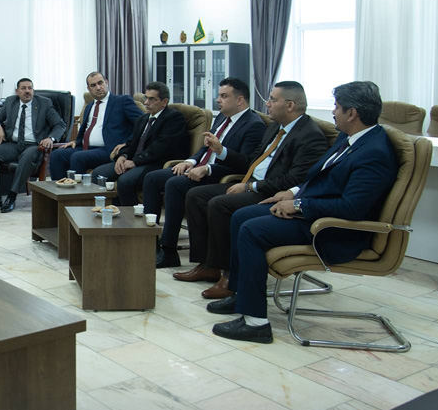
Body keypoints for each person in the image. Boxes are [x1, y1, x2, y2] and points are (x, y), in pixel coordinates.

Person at [208, 81, 399, 344]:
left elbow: (352, 208)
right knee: (242, 216)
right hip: (314, 213)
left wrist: (299, 205)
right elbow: (319, 177)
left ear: (352, 113)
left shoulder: (374, 153)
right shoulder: (350, 138)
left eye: (337, 107)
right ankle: (242, 295)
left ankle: (256, 323)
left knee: (252, 230)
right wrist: (292, 192)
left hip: (333, 230)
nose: (333, 112)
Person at [176, 81, 328, 299]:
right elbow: (251, 161)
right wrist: (221, 151)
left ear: (290, 105)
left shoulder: (310, 135)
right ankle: (208, 265)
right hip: (249, 182)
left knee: (220, 205)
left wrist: (250, 186)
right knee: (196, 195)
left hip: (271, 193)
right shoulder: (275, 127)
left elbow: (295, 179)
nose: (267, 104)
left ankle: (229, 275)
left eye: (272, 100)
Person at [141, 78, 265, 268]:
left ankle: (169, 249)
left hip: (220, 174)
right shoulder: (222, 117)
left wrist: (209, 167)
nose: (218, 100)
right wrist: (189, 161)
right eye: (219, 95)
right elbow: (206, 148)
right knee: (152, 178)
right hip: (200, 167)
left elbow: (246, 164)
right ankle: (150, 241)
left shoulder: (254, 125)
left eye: (224, 96)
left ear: (240, 100)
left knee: (174, 184)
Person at [90, 81, 188, 207]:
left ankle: (131, 217)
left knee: (125, 181)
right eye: (146, 98)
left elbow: (161, 147)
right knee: (98, 173)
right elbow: (131, 142)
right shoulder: (143, 119)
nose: (146, 102)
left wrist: (135, 161)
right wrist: (122, 156)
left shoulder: (174, 118)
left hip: (155, 163)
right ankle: (109, 209)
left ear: (164, 102)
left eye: (152, 99)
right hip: (135, 160)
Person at [0, 78, 65, 213]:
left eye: (30, 88)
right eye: (23, 88)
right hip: (13, 144)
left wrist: (50, 138)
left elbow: (60, 125)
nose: (27, 91)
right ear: (17, 91)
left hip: (34, 145)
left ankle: (12, 196)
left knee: (27, 156)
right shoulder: (10, 102)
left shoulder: (44, 103)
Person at [48, 71, 143, 181]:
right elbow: (87, 129)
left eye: (100, 83)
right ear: (88, 88)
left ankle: (77, 191)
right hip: (85, 147)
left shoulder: (122, 101)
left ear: (106, 82)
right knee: (57, 154)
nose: (98, 88)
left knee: (78, 157)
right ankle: (59, 189)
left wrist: (127, 143)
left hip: (108, 149)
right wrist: (76, 141)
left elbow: (143, 123)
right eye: (93, 85)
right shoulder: (89, 106)